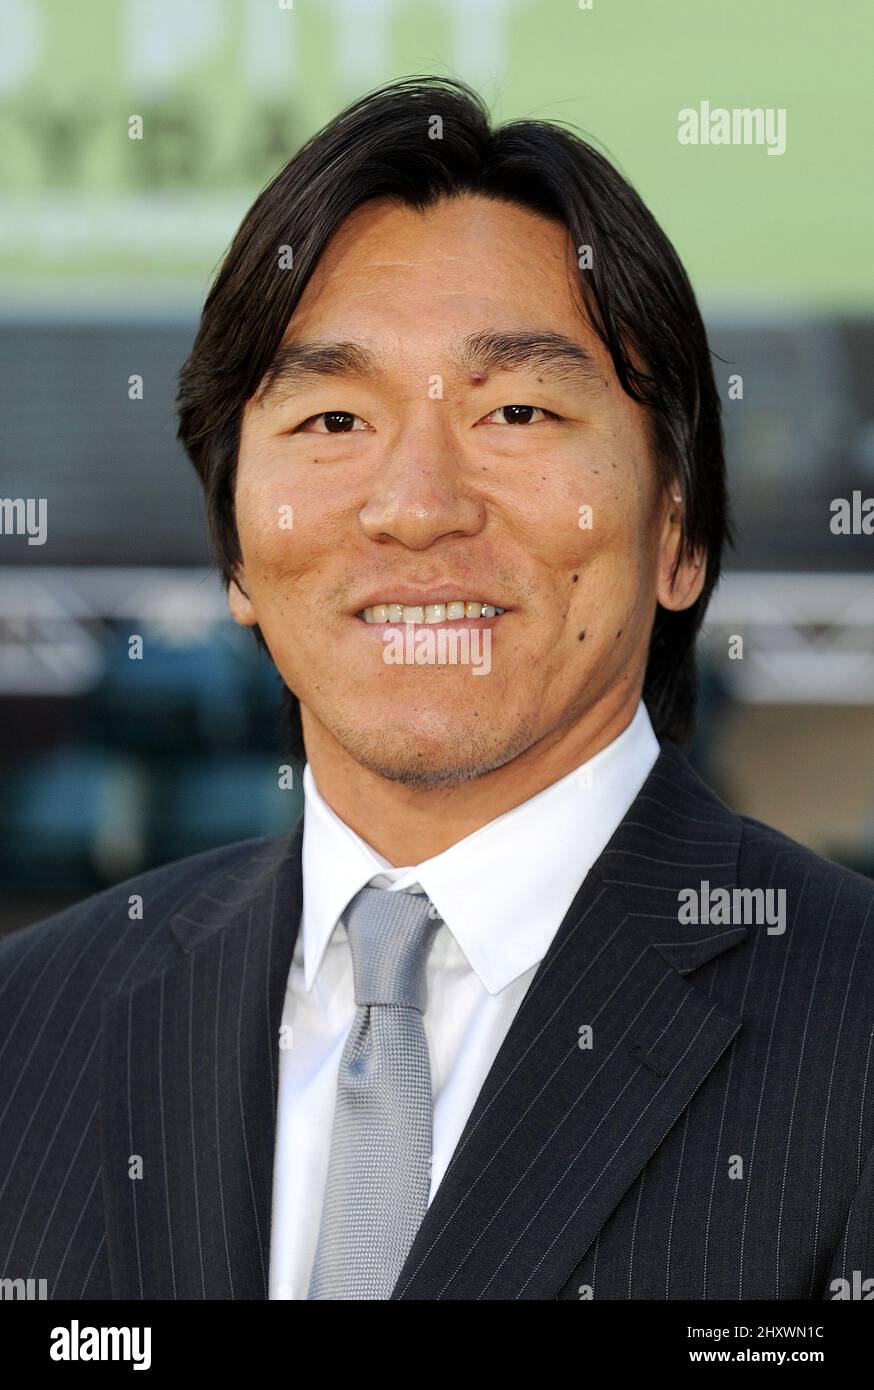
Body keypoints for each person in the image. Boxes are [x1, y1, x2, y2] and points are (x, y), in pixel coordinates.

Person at [1, 76, 872, 1302]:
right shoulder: (31, 1032)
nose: (415, 507)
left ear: (678, 530)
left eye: (515, 409)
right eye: (332, 419)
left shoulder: (854, 1028)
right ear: (235, 549)